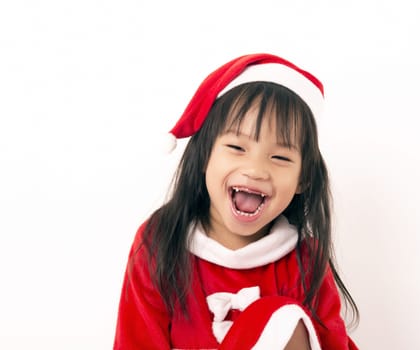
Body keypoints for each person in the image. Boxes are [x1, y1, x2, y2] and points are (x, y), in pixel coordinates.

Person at [113, 53, 359, 349]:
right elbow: (136, 342)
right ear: (204, 155)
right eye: (236, 147)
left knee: (283, 318)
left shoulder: (304, 260)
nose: (255, 170)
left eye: (280, 157)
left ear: (303, 179)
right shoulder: (160, 242)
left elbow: (332, 344)